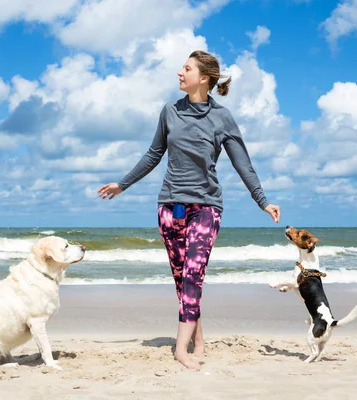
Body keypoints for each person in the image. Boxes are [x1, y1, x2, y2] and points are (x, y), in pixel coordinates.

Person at [98, 50, 280, 370]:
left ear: (204, 78)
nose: (179, 73)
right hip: (170, 207)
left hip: (207, 207)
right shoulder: (170, 111)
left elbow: (243, 164)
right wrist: (123, 184)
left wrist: (262, 201)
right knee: (183, 281)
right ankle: (197, 338)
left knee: (194, 275)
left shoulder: (222, 118)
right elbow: (153, 155)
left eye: (186, 69)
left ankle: (181, 348)